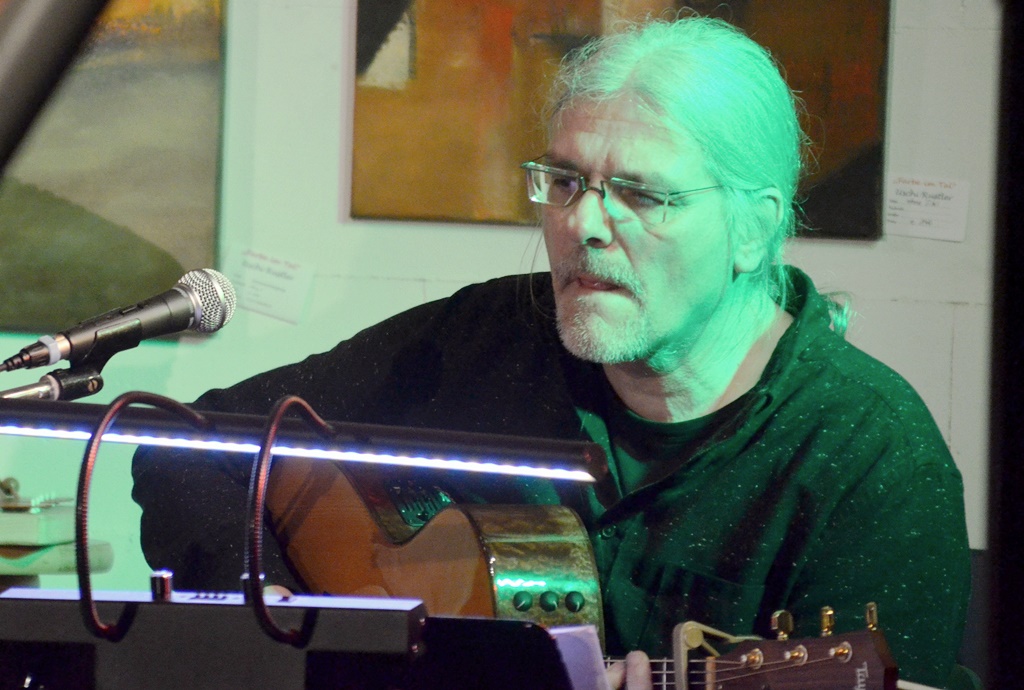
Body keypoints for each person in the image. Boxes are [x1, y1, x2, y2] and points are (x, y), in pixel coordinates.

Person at [132, 16, 970, 689]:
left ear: (753, 228)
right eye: (565, 182)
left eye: (641, 193)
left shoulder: (873, 457)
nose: (583, 225)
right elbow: (190, 445)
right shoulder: (484, 337)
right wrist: (288, 620)